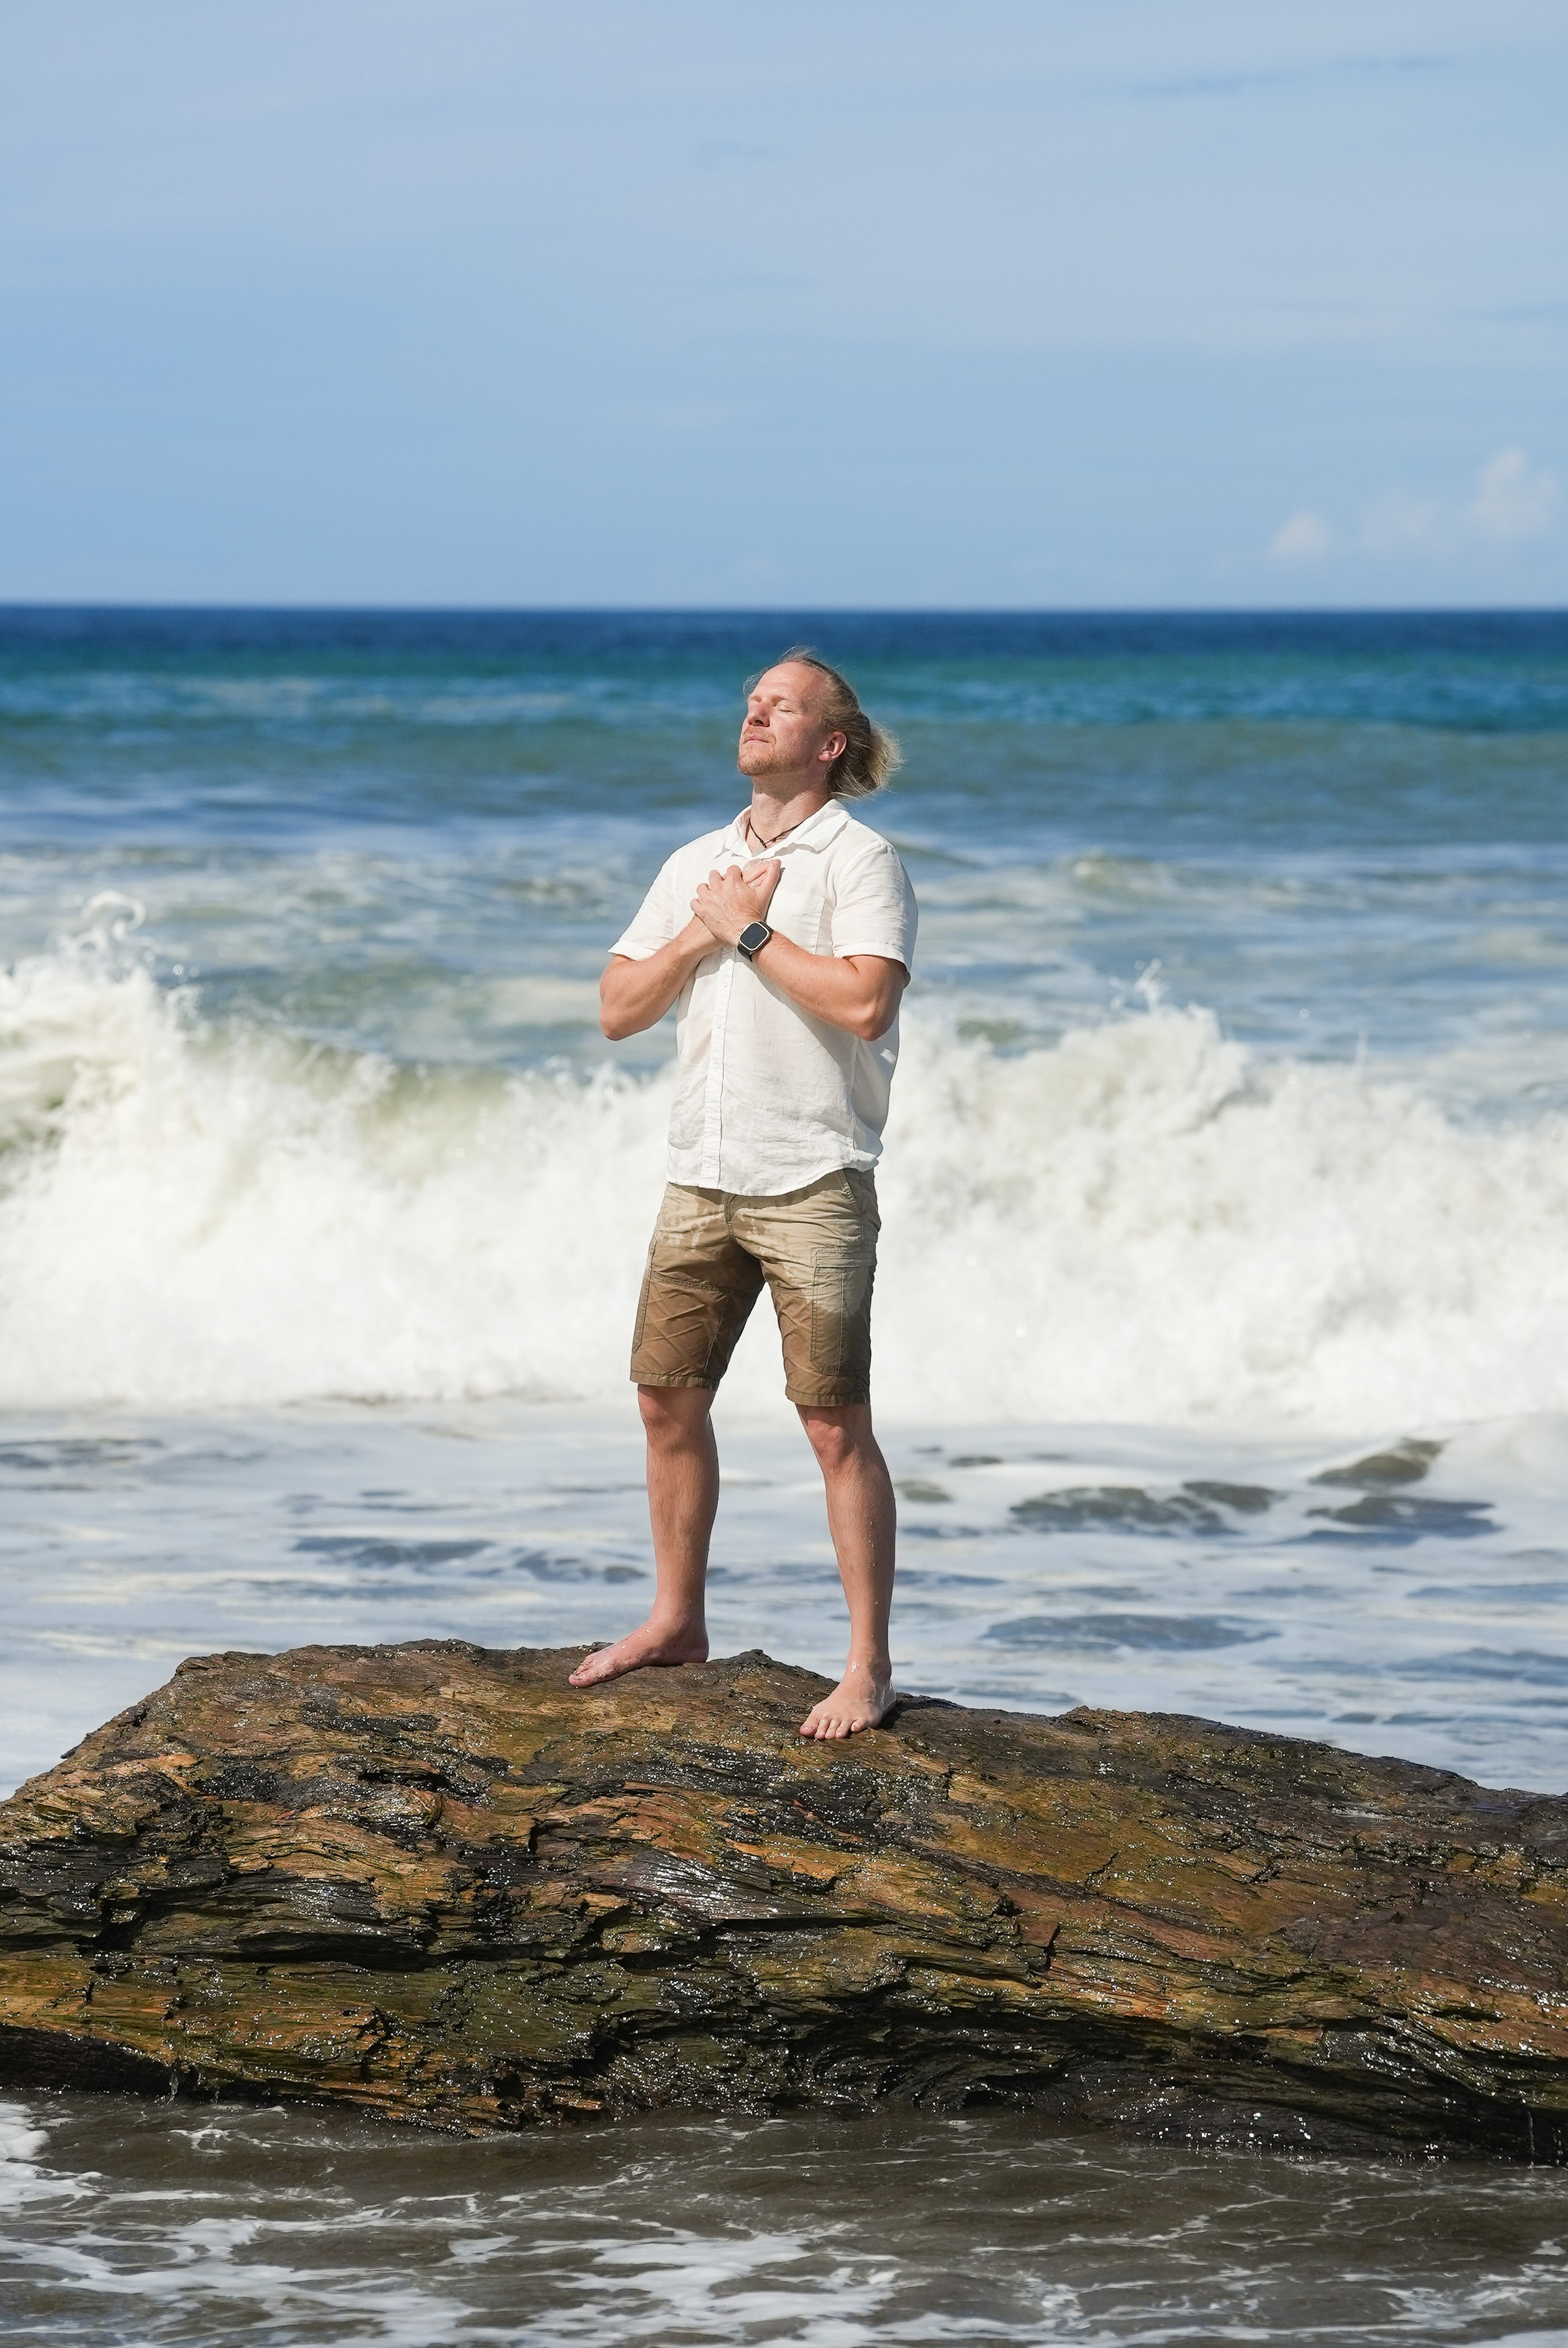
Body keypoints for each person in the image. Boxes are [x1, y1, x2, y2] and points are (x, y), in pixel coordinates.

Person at [569, 649, 918, 1738]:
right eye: (752, 700)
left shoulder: (861, 861)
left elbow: (863, 1004)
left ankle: (867, 1667)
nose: (755, 710)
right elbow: (620, 1007)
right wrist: (705, 924)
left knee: (831, 1424)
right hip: (700, 1173)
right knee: (664, 1401)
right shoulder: (699, 864)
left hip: (812, 1174)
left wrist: (755, 934)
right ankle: (678, 1620)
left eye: (783, 704)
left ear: (831, 744)